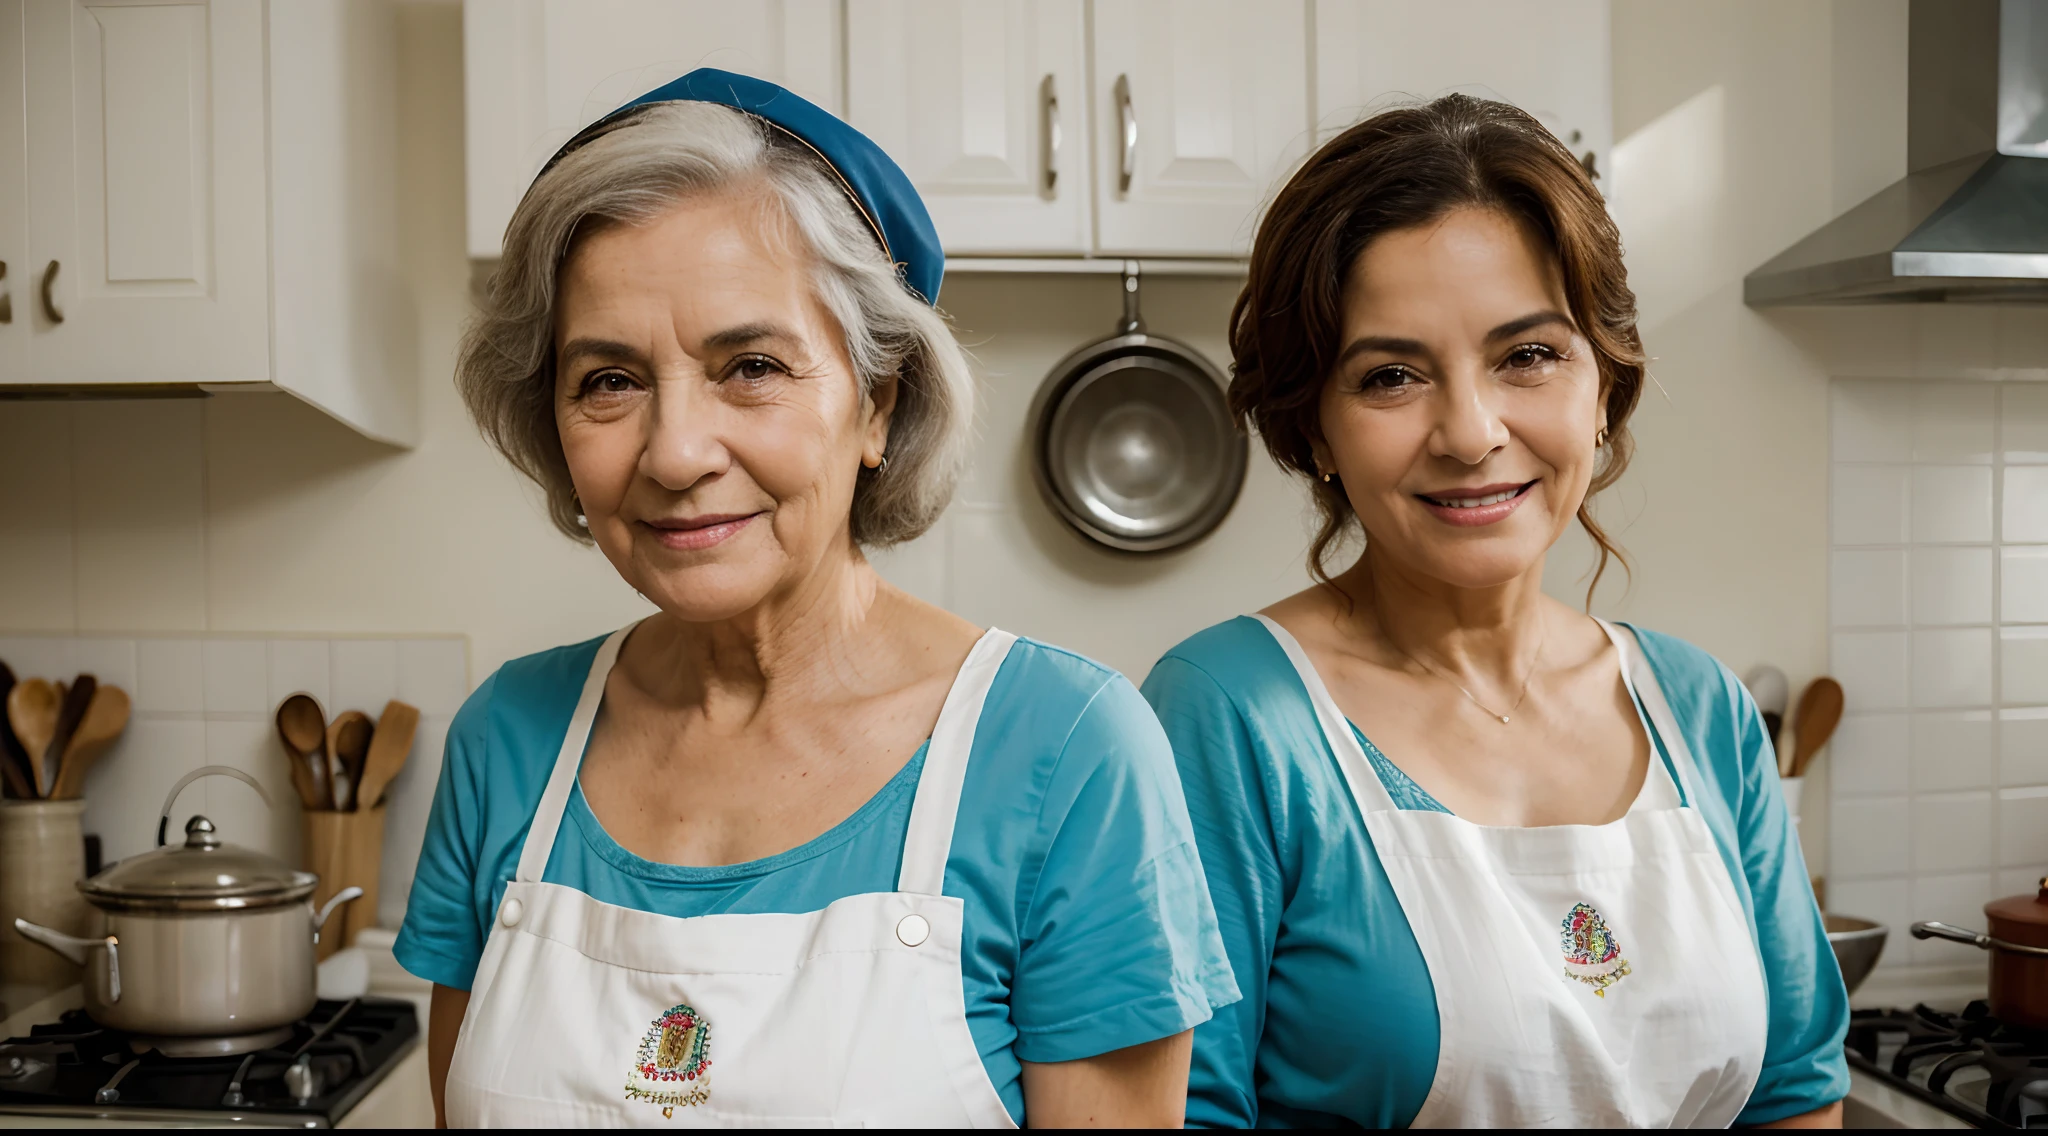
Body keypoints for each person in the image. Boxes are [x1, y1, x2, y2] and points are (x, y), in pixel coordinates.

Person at [395, 70, 1236, 1128]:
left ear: (877, 403)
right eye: (607, 380)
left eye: (749, 364)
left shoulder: (1067, 751)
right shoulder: (507, 738)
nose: (675, 451)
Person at [1140, 95, 1848, 1129]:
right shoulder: (1228, 716)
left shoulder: (1699, 708)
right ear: (1315, 431)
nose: (1470, 432)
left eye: (1526, 355)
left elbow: (1793, 1092)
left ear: (1600, 385)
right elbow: (1183, 1112)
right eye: (1390, 375)